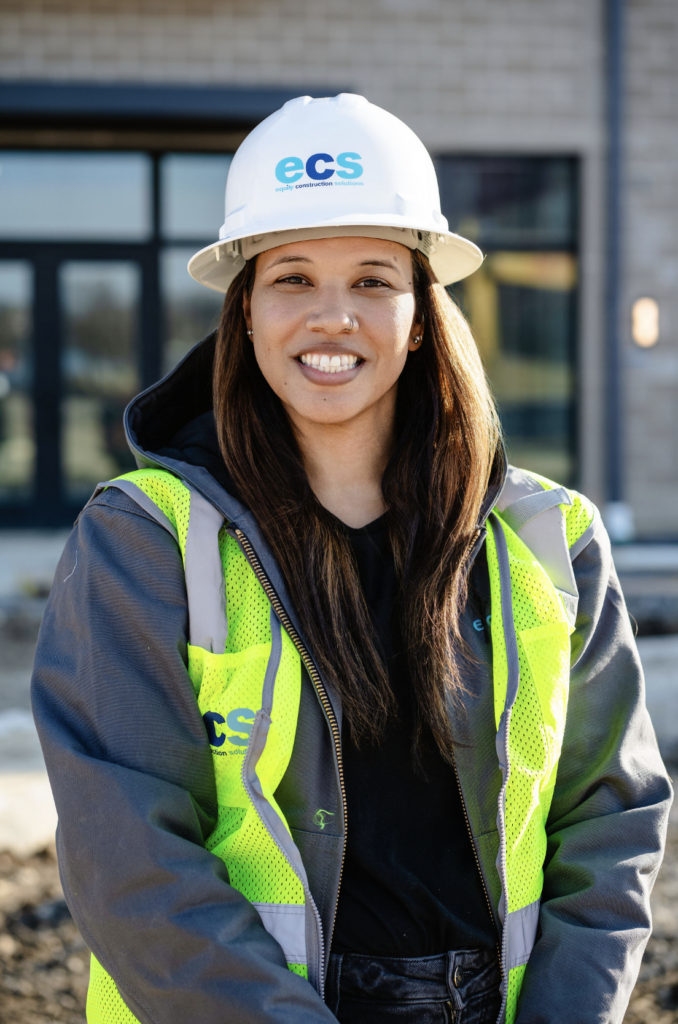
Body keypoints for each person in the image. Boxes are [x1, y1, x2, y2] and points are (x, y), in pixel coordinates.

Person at [32, 94, 670, 1024]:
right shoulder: (145, 541)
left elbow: (611, 820)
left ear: (420, 318)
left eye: (373, 280)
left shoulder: (548, 536)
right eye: (293, 278)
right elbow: (128, 854)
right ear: (245, 313)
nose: (333, 316)